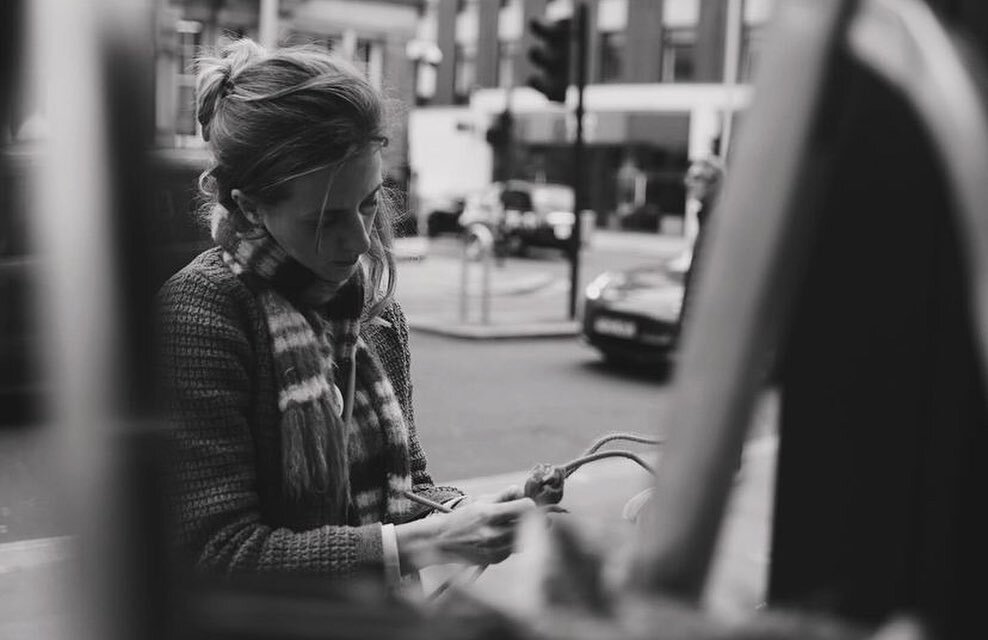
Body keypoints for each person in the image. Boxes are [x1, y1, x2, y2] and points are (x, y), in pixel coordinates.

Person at [156, 39, 535, 584]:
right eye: (325, 219)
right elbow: (217, 552)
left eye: (369, 201)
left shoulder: (372, 314)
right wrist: (431, 541)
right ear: (249, 207)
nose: (358, 241)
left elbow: (405, 490)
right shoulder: (201, 315)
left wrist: (471, 512)